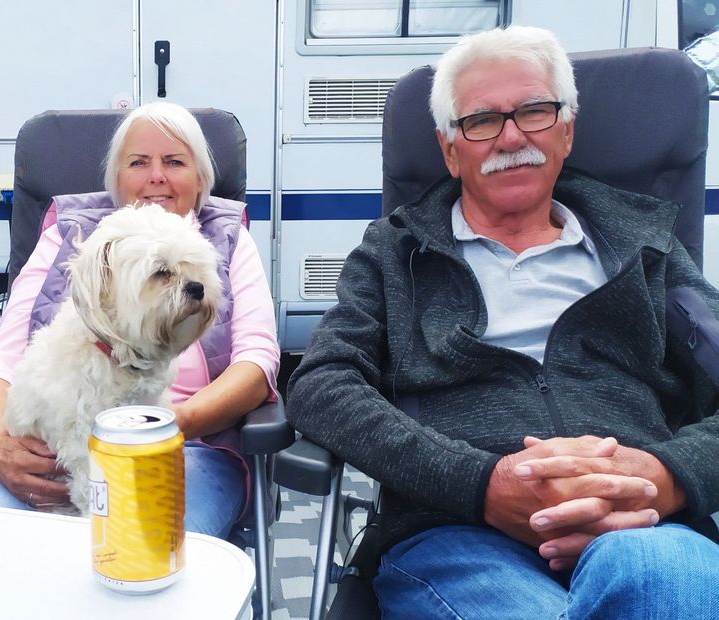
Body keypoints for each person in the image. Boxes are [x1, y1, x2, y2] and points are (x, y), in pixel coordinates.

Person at [287, 26, 719, 618]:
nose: (512, 136)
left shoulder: (646, 244)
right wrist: (481, 485)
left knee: (650, 577)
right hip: (457, 534)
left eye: (535, 111)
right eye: (482, 121)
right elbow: (320, 385)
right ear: (449, 149)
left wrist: (666, 476)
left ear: (566, 130)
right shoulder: (394, 253)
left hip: (646, 527)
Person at [0, 102, 280, 540]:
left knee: (133, 553)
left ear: (200, 178)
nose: (156, 176)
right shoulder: (70, 235)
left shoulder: (227, 238)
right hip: (30, 438)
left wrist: (171, 423)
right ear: (117, 177)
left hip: (184, 446)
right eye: (139, 162)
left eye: (174, 161)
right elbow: (1, 359)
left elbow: (257, 362)